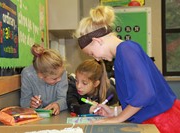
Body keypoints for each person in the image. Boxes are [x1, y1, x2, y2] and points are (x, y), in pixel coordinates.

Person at [74, 5, 180, 133]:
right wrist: (114, 111)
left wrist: (117, 119)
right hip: (155, 119)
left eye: (91, 53)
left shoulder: (126, 50)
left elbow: (145, 95)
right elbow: (139, 100)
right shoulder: (122, 54)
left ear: (97, 41)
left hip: (161, 121)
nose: (96, 58)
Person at [20, 44, 68, 115]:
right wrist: (31, 104)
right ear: (40, 75)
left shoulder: (60, 71)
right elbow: (24, 102)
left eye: (60, 76)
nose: (60, 79)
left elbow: (64, 98)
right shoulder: (27, 74)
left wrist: (58, 104)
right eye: (54, 79)